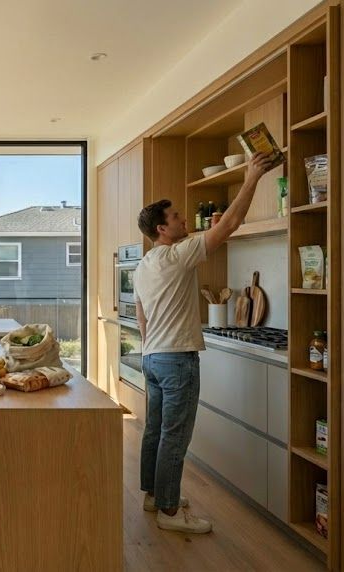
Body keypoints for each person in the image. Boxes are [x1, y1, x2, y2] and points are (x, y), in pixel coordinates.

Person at [133, 152, 274, 533]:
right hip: (177, 359)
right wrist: (251, 178)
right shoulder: (179, 254)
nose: (182, 218)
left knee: (155, 430)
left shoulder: (143, 265)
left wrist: (151, 350)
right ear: (163, 229)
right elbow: (228, 225)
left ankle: (154, 496)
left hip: (152, 357)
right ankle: (170, 513)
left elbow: (142, 316)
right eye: (176, 216)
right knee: (174, 436)